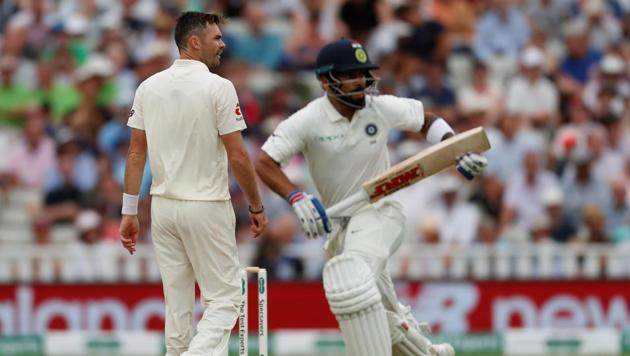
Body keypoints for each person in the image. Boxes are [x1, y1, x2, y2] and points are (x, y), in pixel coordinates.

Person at [255, 38, 487, 356]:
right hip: (340, 227)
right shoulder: (309, 119)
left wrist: (455, 149)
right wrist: (296, 197)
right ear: (325, 81)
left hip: (380, 211)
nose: (360, 82)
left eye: (363, 74)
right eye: (350, 75)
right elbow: (265, 162)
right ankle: (427, 352)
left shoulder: (379, 107)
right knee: (368, 310)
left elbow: (426, 120)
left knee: (353, 282)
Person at [119, 12, 267, 356]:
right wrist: (256, 205)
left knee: (178, 307)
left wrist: (130, 211)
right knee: (227, 298)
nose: (223, 44)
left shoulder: (148, 87)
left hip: (164, 208)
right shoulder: (219, 87)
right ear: (194, 42)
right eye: (216, 38)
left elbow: (135, 153)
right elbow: (240, 157)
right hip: (206, 205)